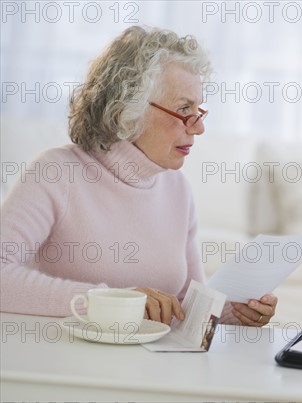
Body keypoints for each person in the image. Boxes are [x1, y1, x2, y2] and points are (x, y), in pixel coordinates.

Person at [0, 26, 277, 327]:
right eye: (184, 109)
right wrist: (113, 302)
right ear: (125, 110)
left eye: (199, 110)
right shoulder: (56, 172)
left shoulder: (177, 189)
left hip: (152, 367)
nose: (198, 127)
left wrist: (235, 312)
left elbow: (186, 303)